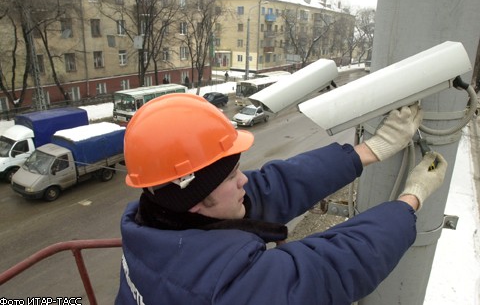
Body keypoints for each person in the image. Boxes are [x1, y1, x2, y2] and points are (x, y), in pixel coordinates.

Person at [116, 93, 447, 304]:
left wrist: (370, 150)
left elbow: (270, 187)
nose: (244, 178)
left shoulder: (149, 225)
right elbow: (330, 267)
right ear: (195, 199)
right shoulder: (229, 288)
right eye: (232, 177)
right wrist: (410, 200)